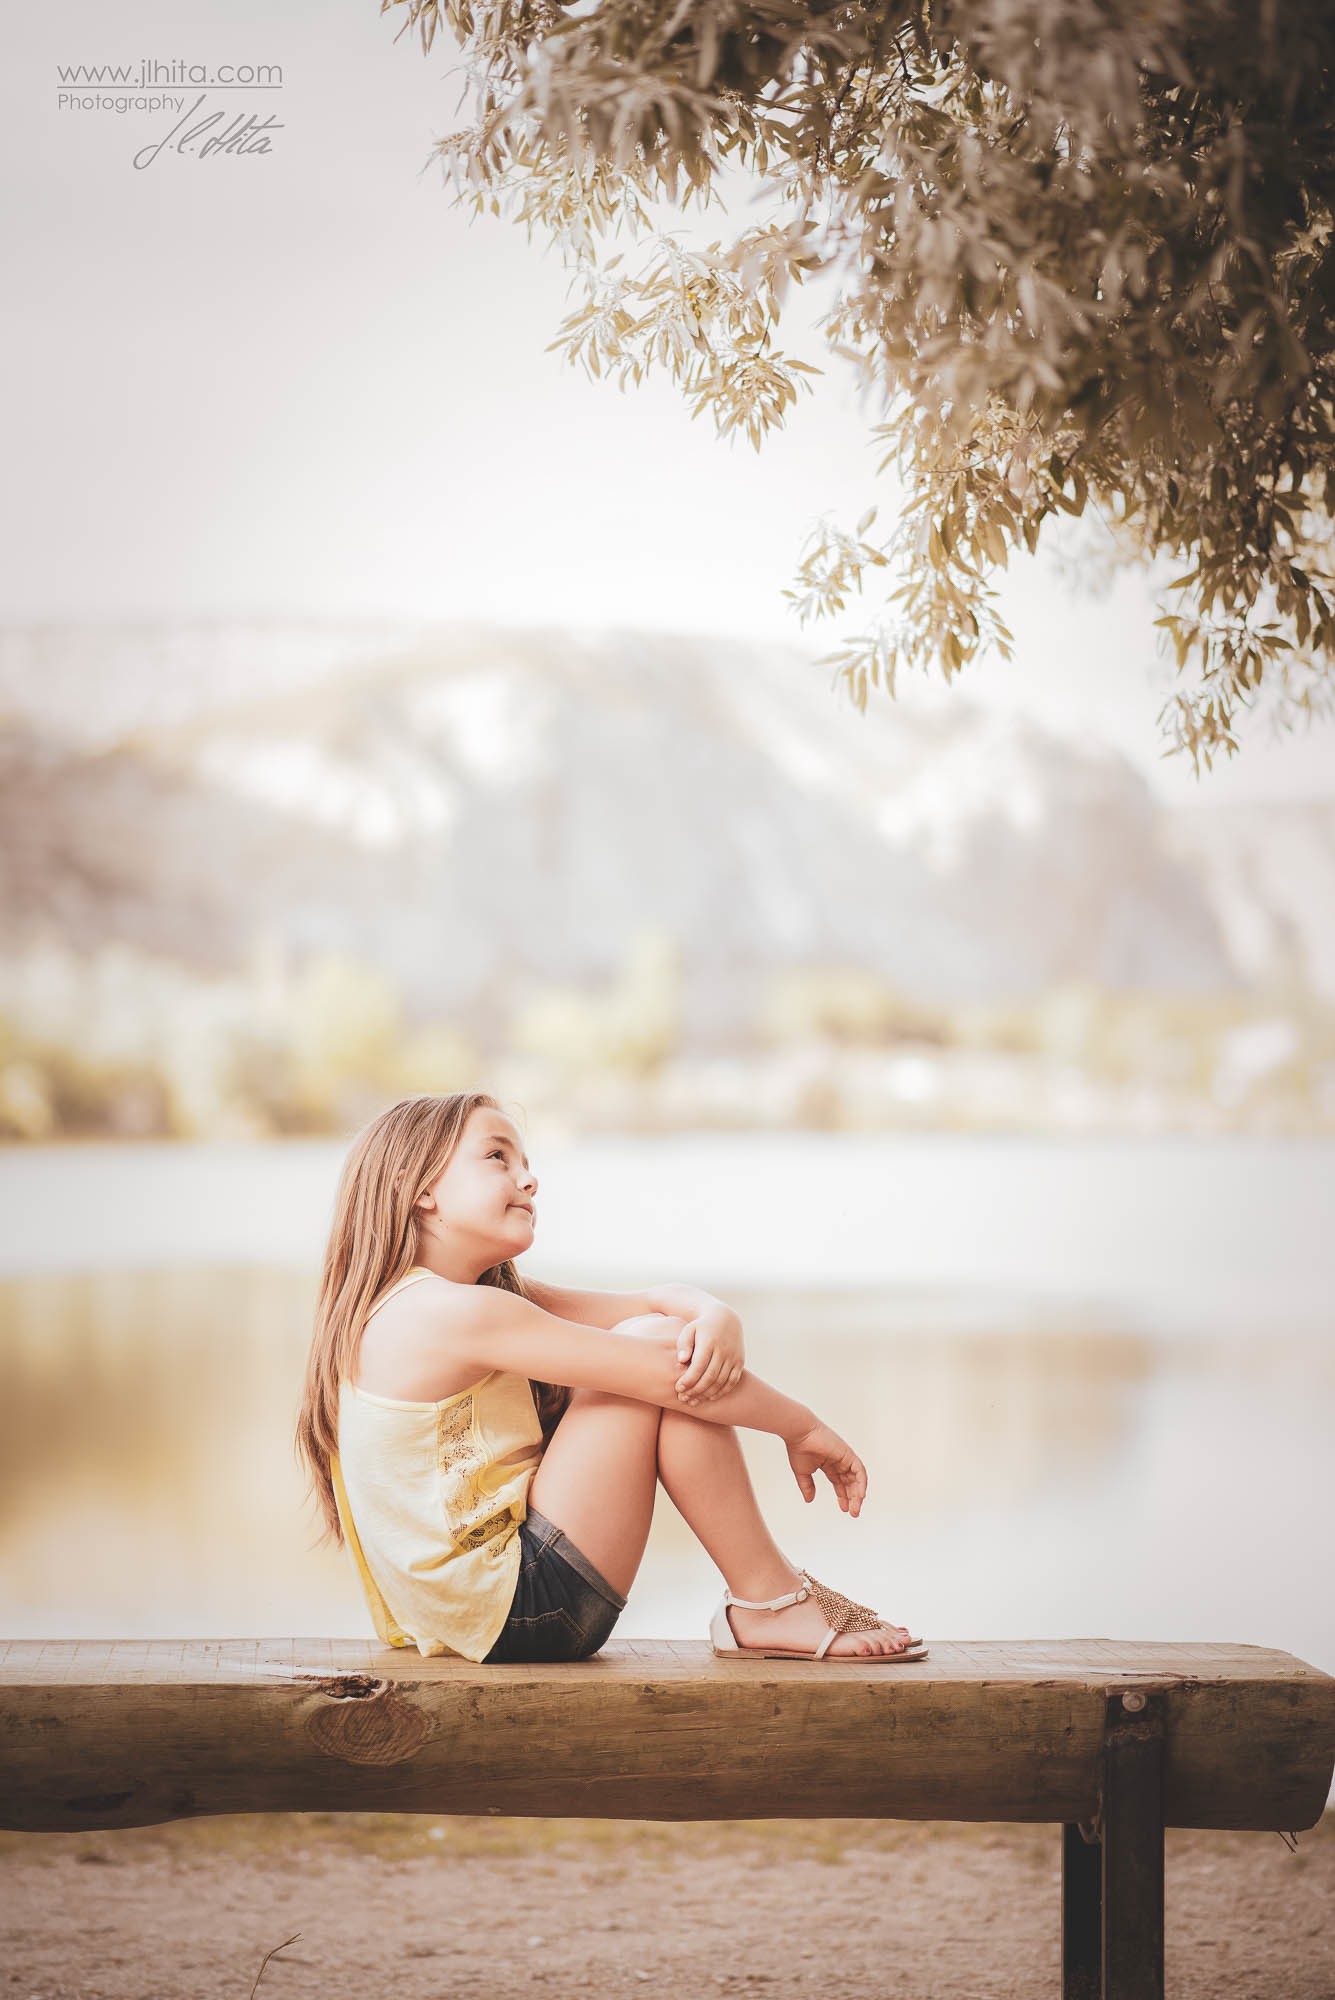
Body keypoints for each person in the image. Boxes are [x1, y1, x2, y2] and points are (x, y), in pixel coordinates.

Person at [294, 1089, 927, 1667]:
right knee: (655, 1360)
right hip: (526, 1610)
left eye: (525, 1160)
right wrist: (803, 1426)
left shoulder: (428, 1301)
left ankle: (767, 1602)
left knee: (655, 1345)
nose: (529, 1178)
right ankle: (767, 1601)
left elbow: (653, 1304)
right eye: (497, 1156)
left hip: (478, 1617)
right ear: (420, 1189)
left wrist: (716, 1314)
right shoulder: (452, 1314)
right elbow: (665, 1361)